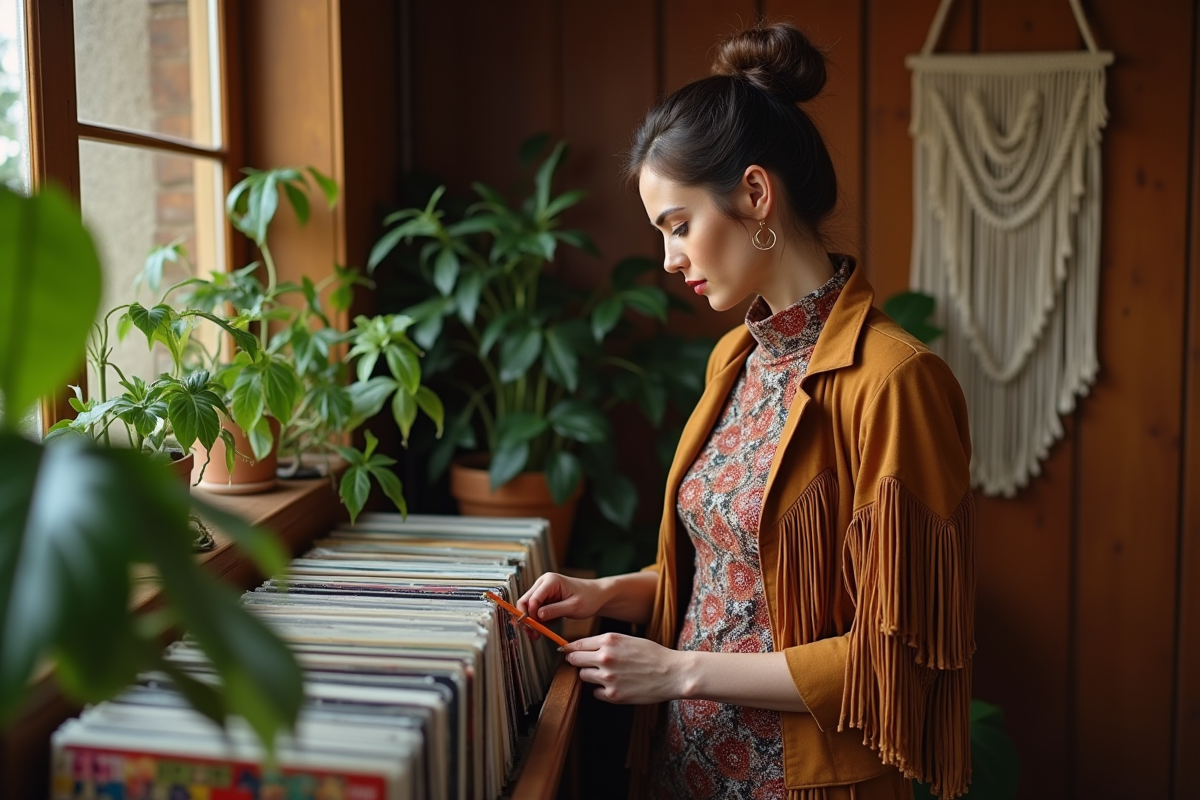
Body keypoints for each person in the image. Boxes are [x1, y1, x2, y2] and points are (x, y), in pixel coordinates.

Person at [516, 21, 974, 800]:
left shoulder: (896, 381)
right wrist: (608, 593)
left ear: (755, 193)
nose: (669, 259)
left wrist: (674, 669)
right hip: (679, 767)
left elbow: (891, 661)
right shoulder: (737, 359)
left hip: (805, 784)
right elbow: (734, 582)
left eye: (680, 226)